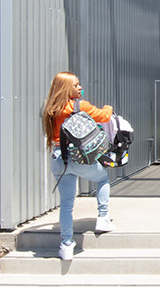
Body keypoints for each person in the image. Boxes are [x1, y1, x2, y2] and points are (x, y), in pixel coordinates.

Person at [41, 71, 114, 261]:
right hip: (78, 158)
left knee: (66, 205)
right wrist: (109, 107)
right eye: (76, 85)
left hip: (59, 159)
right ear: (65, 88)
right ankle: (103, 218)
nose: (80, 87)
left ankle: (66, 244)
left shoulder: (50, 108)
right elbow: (104, 116)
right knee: (103, 178)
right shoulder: (80, 106)